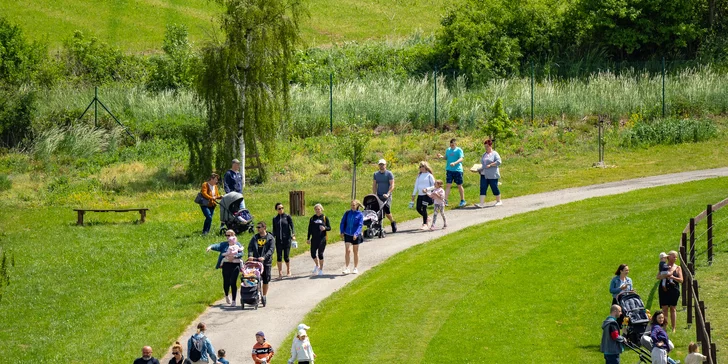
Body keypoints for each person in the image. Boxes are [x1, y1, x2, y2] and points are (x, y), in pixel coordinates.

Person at [206, 230, 244, 307]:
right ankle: (226, 295)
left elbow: (241, 253)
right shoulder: (224, 244)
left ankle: (234, 300)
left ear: (233, 235)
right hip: (226, 265)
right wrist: (210, 247)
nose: (227, 237)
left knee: (233, 282)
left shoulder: (237, 244)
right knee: (226, 282)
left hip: (235, 265)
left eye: (229, 235)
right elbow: (217, 246)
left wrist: (234, 256)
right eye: (226, 235)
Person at [248, 222, 275, 306]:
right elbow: (250, 247)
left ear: (264, 228)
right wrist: (250, 256)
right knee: (255, 279)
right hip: (256, 262)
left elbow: (271, 249)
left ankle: (264, 295)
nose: (258, 229)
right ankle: (256, 294)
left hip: (266, 262)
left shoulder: (270, 238)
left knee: (266, 279)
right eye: (257, 227)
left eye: (259, 227)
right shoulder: (255, 237)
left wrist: (264, 257)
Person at [656, 250, 683, 333]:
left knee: (673, 308)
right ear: (668, 257)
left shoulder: (678, 267)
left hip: (673, 289)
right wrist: (665, 275)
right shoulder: (664, 266)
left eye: (676, 257)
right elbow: (658, 276)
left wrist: (672, 277)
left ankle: (673, 327)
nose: (675, 258)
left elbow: (681, 280)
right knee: (664, 309)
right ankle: (664, 326)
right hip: (664, 289)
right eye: (673, 256)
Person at [437, 138, 466, 207]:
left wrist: (455, 163)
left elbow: (461, 158)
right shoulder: (448, 150)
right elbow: (446, 157)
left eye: (453, 145)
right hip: (449, 170)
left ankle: (462, 200)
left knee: (459, 185)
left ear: (456, 144)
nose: (451, 146)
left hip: (457, 170)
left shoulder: (459, 150)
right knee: (448, 185)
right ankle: (445, 200)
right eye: (451, 145)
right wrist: (441, 157)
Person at [372, 159, 397, 233]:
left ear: (385, 165)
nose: (381, 166)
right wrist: (374, 194)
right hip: (379, 195)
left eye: (383, 164)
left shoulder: (389, 174)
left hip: (387, 195)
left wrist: (388, 193)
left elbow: (392, 185)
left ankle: (392, 222)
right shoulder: (376, 174)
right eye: (380, 164)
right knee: (378, 211)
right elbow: (374, 185)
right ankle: (378, 226)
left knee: (387, 211)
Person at [475, 139, 502, 208]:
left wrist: (491, 165)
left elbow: (499, 162)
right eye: (485, 146)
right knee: (483, 187)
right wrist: (478, 170)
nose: (486, 148)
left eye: (487, 146)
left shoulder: (495, 153)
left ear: (490, 146)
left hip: (492, 174)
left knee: (494, 187)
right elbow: (483, 165)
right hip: (484, 174)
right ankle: (481, 203)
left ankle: (498, 201)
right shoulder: (484, 154)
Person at [340, 200, 364, 274]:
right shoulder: (347, 213)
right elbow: (343, 222)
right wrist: (341, 231)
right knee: (347, 250)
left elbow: (360, 225)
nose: (352, 207)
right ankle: (347, 268)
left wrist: (356, 234)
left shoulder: (360, 214)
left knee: (355, 251)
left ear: (357, 206)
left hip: (355, 235)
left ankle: (355, 267)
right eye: (351, 205)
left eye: (354, 205)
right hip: (347, 234)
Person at [410, 161, 436, 230]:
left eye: (422, 166)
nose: (420, 168)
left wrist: (427, 189)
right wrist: (413, 194)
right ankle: (427, 217)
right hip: (420, 195)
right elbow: (416, 186)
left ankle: (425, 224)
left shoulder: (429, 175)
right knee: (418, 208)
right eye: (420, 167)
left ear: (425, 167)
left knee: (424, 208)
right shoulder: (419, 176)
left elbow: (434, 186)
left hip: (427, 195)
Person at [307, 203, 331, 276]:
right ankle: (317, 265)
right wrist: (308, 238)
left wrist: (325, 228)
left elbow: (329, 228)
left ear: (321, 209)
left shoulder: (324, 218)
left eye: (319, 209)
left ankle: (321, 269)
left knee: (320, 254)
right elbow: (309, 229)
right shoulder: (312, 218)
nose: (317, 211)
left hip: (322, 239)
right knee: (313, 254)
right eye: (316, 209)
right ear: (314, 210)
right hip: (314, 239)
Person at [273, 202, 295, 279]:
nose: (281, 209)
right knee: (279, 257)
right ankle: (280, 273)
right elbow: (274, 230)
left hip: (287, 239)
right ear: (276, 210)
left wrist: (293, 234)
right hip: (278, 240)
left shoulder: (287, 216)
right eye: (279, 208)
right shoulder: (275, 219)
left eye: (282, 208)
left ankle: (288, 270)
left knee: (286, 256)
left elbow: (292, 226)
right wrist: (272, 237)